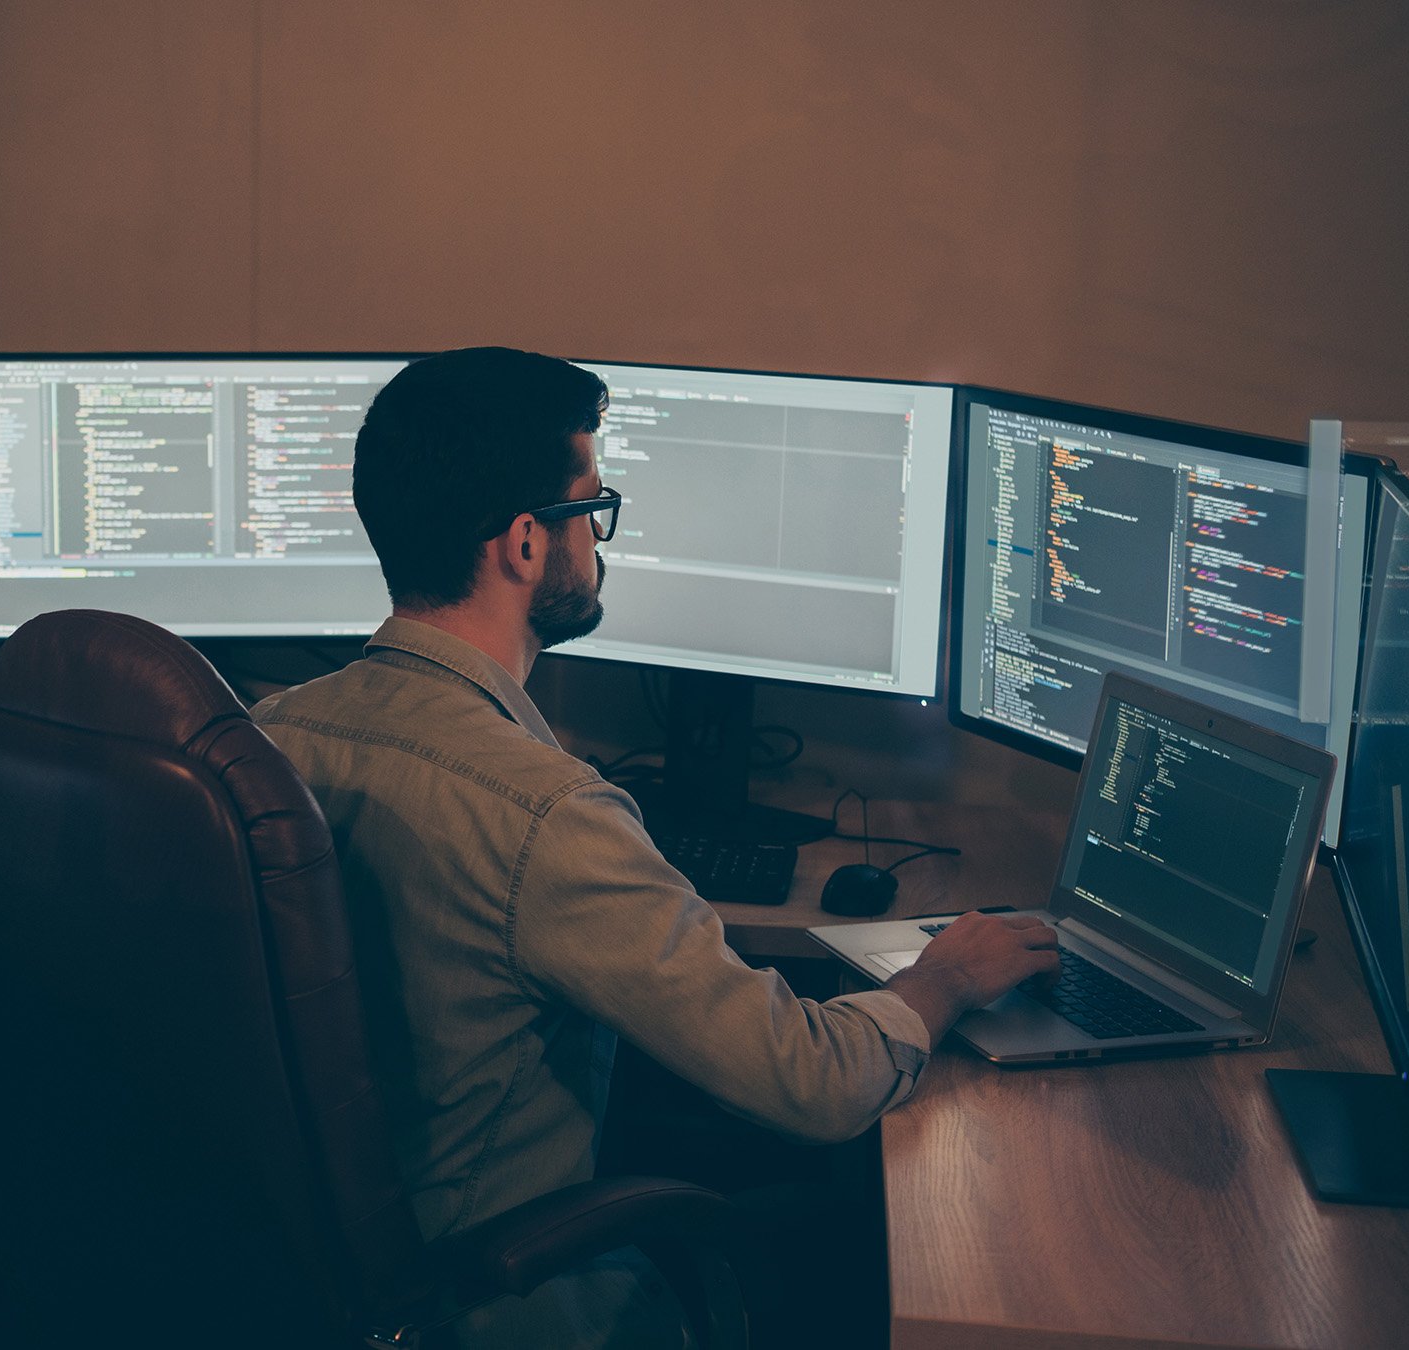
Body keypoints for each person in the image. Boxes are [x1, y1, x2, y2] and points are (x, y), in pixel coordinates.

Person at [250, 347, 1058, 1347]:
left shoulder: (270, 737)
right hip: (503, 1301)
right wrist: (942, 982)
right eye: (593, 509)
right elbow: (809, 1085)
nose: (599, 540)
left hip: (309, 1280)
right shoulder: (548, 816)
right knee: (851, 1238)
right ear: (522, 544)